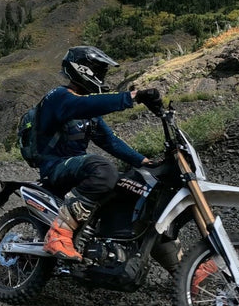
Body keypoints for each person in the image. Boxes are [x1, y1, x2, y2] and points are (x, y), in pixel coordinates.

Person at [36, 45, 163, 261]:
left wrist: (145, 162)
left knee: (133, 185)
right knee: (103, 168)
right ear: (82, 69)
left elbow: (110, 141)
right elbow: (81, 105)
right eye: (100, 71)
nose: (102, 76)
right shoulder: (58, 97)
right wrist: (132, 96)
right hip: (55, 166)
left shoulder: (89, 112)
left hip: (75, 169)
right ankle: (58, 233)